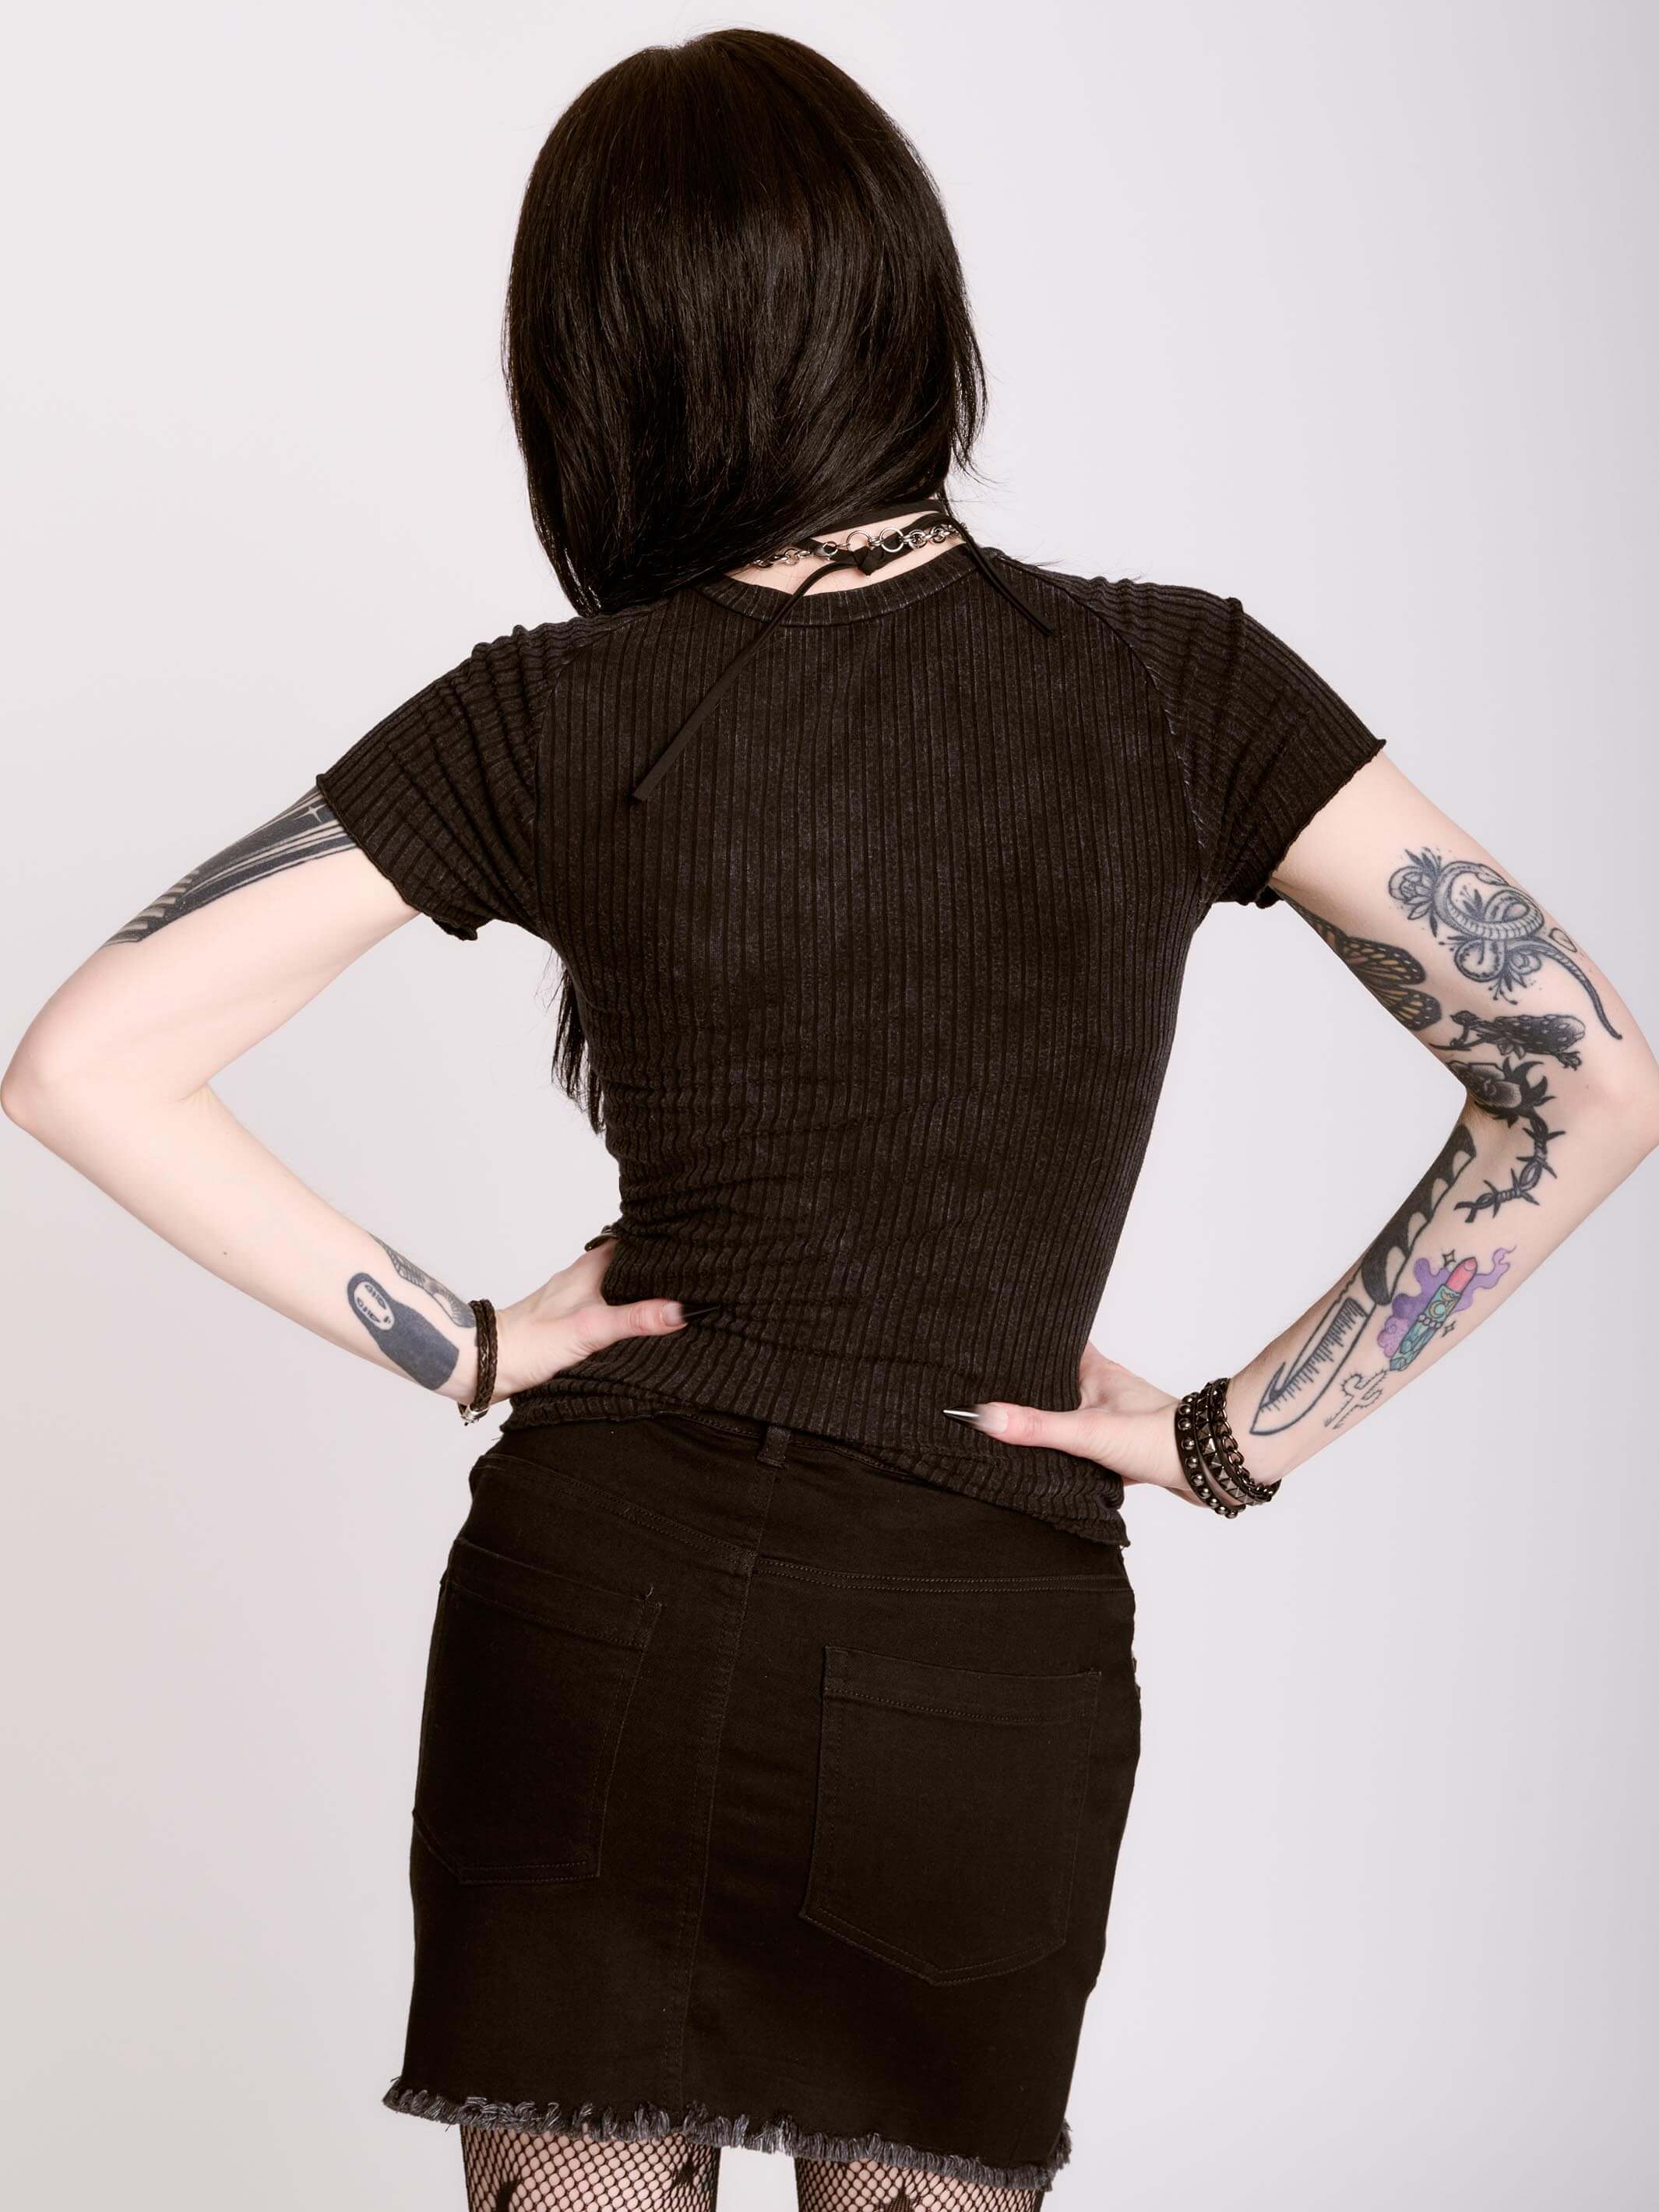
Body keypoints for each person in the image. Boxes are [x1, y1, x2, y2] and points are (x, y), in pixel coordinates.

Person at [6, 26, 1657, 2212]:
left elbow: (83, 1061)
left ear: (599, 365)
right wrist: (1231, 1435)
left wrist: (474, 1346)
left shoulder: (550, 712)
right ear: (906, 313)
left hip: (598, 1622)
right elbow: (1579, 1074)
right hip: (975, 1645)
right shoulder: (1175, 687)